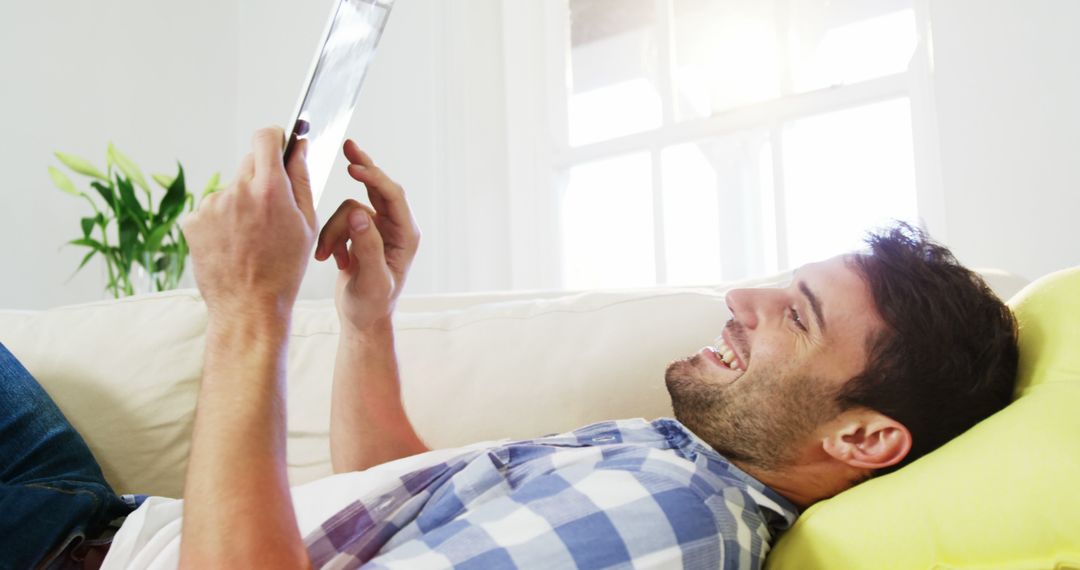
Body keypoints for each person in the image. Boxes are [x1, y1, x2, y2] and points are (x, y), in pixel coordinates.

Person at [0, 126, 1018, 570]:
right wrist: (366, 318)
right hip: (100, 522)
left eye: (795, 314)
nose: (743, 297)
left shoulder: (674, 522)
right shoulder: (679, 468)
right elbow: (392, 501)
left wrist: (247, 313)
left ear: (868, 438)